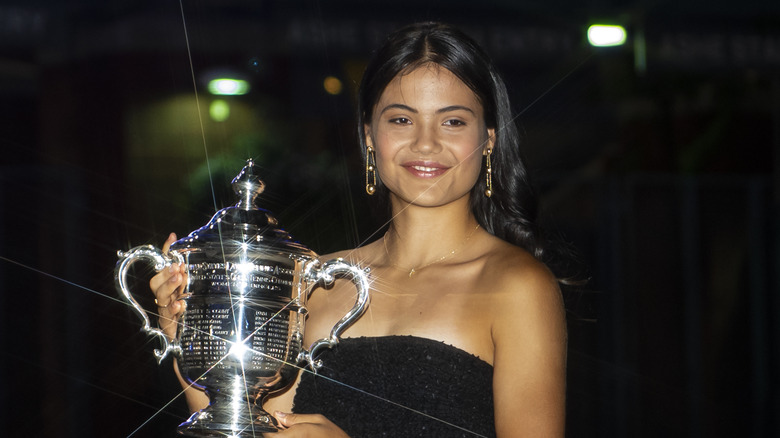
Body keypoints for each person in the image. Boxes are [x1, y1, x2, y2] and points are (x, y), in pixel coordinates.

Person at [151, 22, 567, 437]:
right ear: (369, 136)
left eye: (453, 122)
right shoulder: (315, 280)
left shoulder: (517, 286)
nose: (425, 143)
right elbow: (250, 425)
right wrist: (185, 338)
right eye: (402, 119)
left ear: (488, 139)